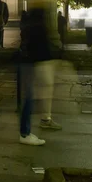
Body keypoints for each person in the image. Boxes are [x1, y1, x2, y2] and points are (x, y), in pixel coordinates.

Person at [19, 7, 61, 145]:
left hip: (33, 62)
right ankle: (25, 134)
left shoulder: (32, 19)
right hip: (33, 62)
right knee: (29, 98)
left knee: (34, 96)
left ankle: (44, 120)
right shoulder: (35, 21)